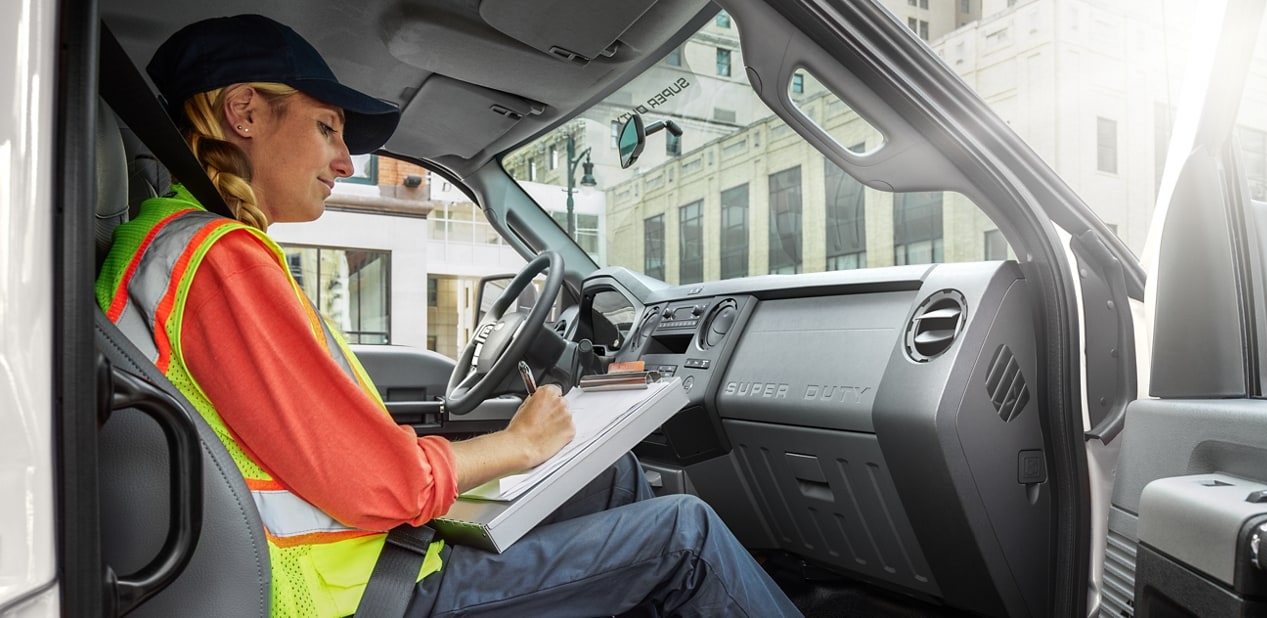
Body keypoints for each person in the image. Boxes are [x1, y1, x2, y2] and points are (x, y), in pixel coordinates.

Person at [96, 14, 800, 618]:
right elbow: (379, 483)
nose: (344, 161)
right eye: (327, 128)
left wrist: (502, 450)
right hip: (369, 594)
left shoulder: (166, 248)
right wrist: (518, 444)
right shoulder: (219, 259)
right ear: (244, 112)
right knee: (686, 535)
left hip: (369, 557)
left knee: (610, 479)